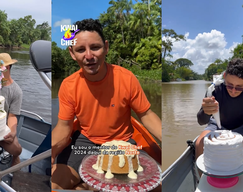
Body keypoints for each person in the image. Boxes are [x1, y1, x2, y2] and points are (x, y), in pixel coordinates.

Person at [51, 19, 162, 190]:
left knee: (157, 185)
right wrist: (52, 150)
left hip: (123, 144)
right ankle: (89, 184)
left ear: (106, 47)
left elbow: (146, 115)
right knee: (55, 184)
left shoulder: (126, 78)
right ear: (72, 53)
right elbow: (64, 126)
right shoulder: (68, 85)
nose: (89, 56)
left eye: (95, 47)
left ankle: (88, 184)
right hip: (84, 143)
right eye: (81, 50)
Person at [195, 58, 243, 192]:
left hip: (242, 127)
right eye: (229, 85)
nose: (233, 91)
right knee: (199, 144)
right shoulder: (214, 90)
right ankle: (206, 186)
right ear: (224, 77)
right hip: (217, 125)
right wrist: (206, 112)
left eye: (239, 87)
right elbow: (201, 121)